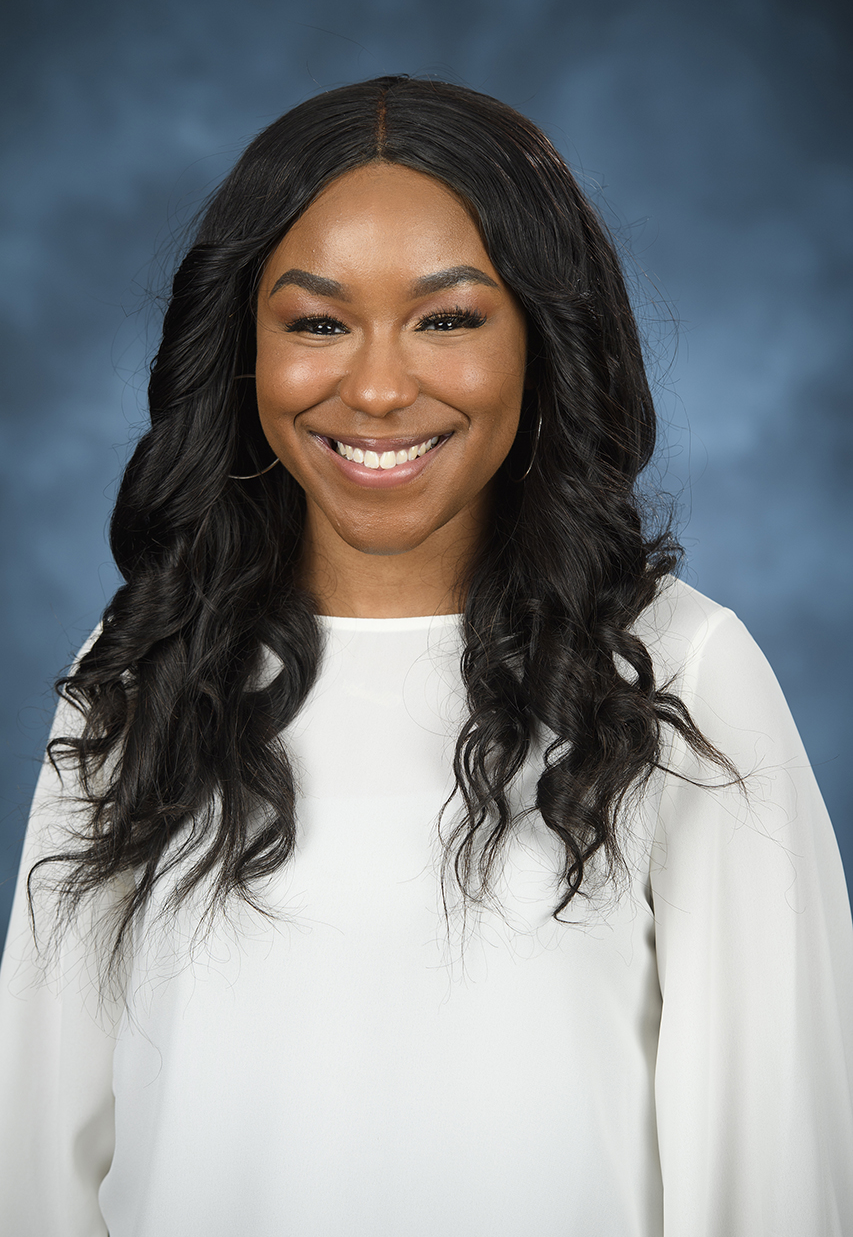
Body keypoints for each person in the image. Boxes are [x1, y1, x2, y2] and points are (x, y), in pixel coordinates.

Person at [0, 75, 851, 1237]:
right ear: (242, 350)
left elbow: (773, 1170)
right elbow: (36, 1154)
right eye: (316, 323)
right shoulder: (144, 666)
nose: (378, 387)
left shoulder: (676, 673)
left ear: (543, 341)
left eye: (447, 319)